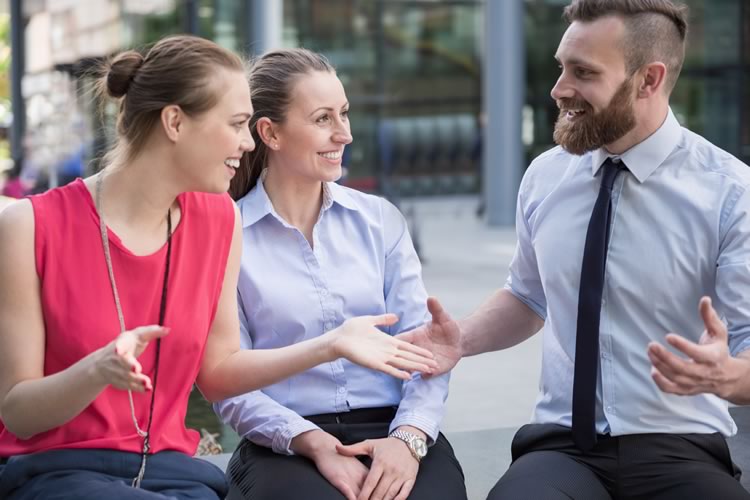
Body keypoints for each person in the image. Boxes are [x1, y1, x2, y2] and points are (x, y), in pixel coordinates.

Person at [0, 35, 438, 500]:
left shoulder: (218, 220)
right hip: (55, 474)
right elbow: (17, 412)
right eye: (236, 124)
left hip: (174, 476)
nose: (249, 143)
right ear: (174, 122)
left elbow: (219, 373)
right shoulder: (29, 226)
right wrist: (95, 372)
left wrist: (332, 345)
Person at [401, 1, 750, 498]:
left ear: (648, 80)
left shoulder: (731, 193)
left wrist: (728, 375)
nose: (559, 89)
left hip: (680, 445)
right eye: (561, 67)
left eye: (583, 72)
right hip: (562, 447)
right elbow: (527, 296)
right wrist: (462, 341)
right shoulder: (545, 176)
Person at [214, 48, 467, 500]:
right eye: (323, 119)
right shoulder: (227, 236)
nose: (345, 134)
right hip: (285, 442)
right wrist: (311, 443)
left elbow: (424, 351)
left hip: (392, 426)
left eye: (345, 114)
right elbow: (228, 384)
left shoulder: (381, 221)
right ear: (270, 132)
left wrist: (408, 438)